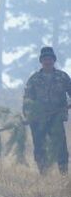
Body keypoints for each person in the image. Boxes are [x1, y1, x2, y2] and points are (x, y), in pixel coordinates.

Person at [23, 47, 71, 175]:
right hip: (38, 120)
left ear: (54, 60)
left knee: (61, 147)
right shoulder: (34, 79)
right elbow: (27, 100)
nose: (47, 61)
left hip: (57, 118)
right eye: (45, 59)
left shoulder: (63, 77)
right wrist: (29, 116)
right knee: (40, 147)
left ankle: (63, 174)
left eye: (50, 58)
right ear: (41, 61)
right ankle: (43, 175)